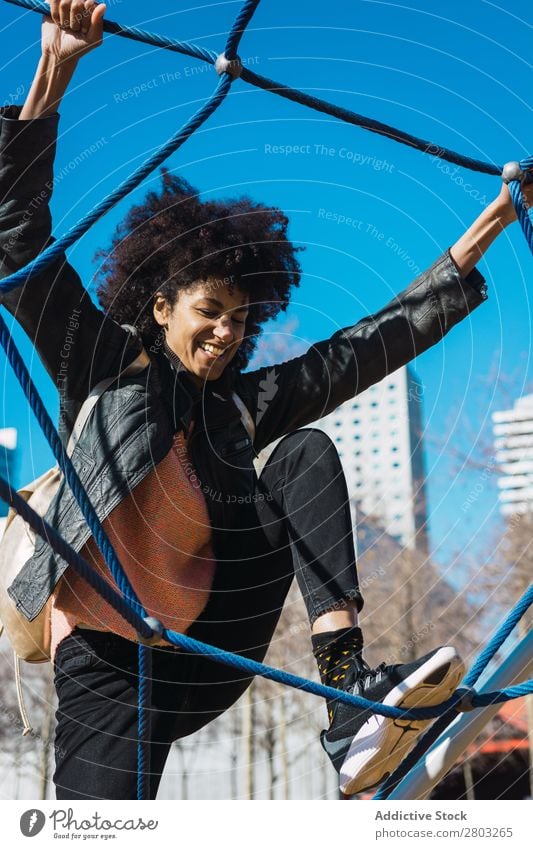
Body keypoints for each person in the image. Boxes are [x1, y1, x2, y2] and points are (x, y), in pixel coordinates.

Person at [0, 2, 530, 800]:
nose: (223, 332)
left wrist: (484, 229)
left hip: (209, 642)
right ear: (160, 306)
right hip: (108, 652)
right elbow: (16, 238)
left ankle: (350, 702)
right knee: (98, 822)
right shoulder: (105, 364)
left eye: (239, 318)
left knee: (306, 453)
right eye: (207, 311)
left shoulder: (237, 408)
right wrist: (56, 73)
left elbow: (356, 351)